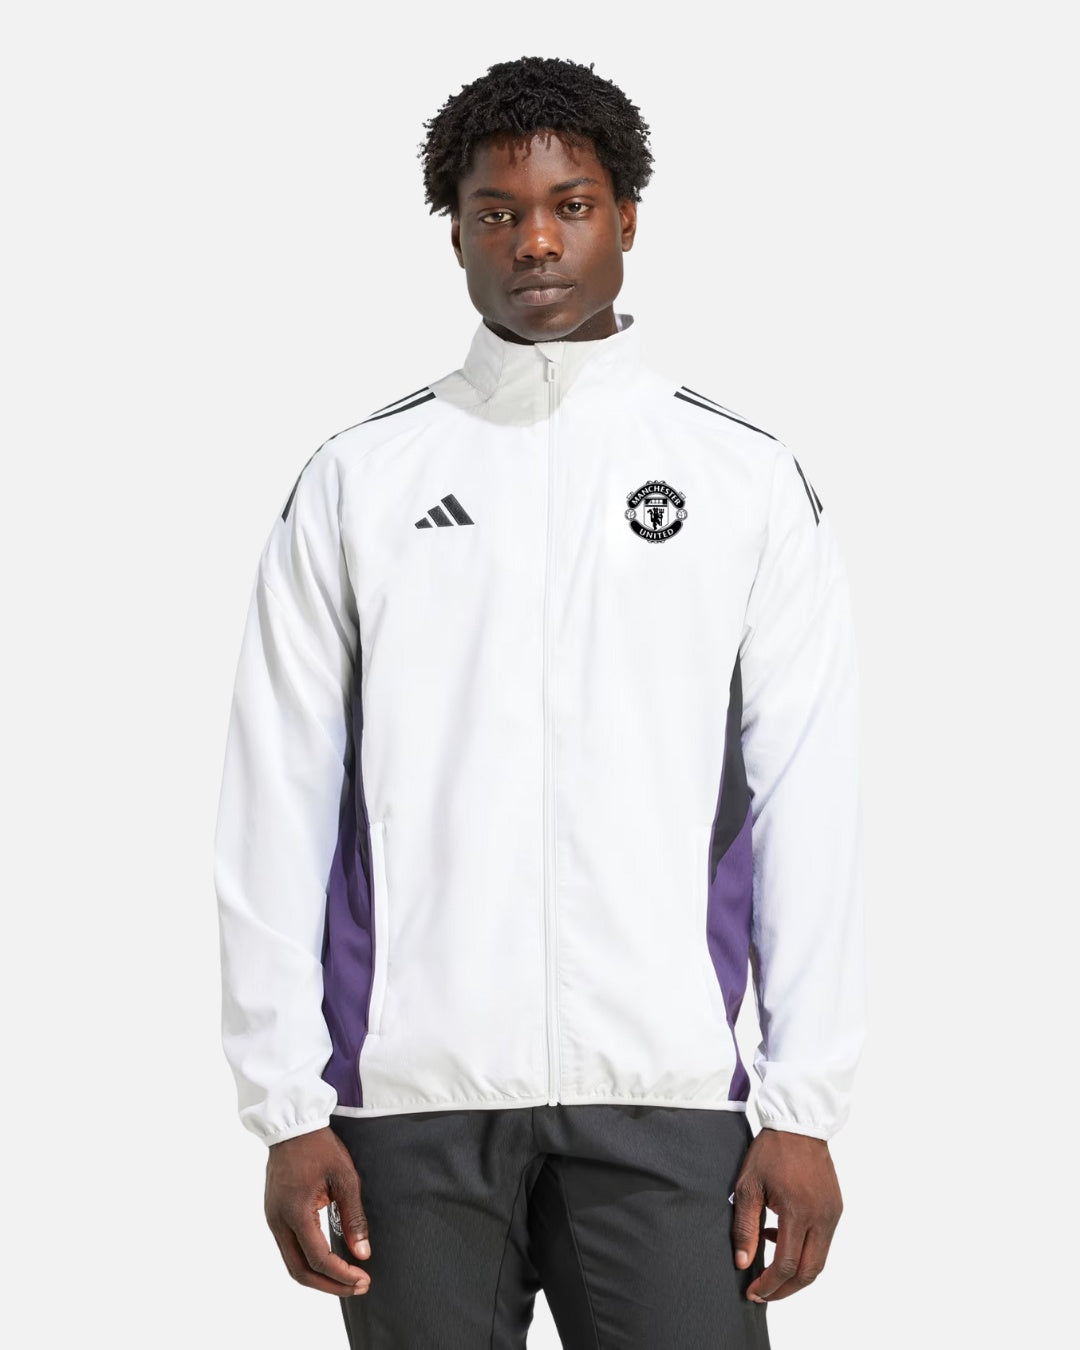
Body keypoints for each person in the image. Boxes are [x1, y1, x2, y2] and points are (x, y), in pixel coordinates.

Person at [214, 54, 865, 1349]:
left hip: (669, 1095)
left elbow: (809, 798)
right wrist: (284, 1105)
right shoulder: (358, 480)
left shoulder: (742, 479)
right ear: (454, 231)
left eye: (571, 204)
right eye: (497, 211)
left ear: (628, 216)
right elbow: (275, 798)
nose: (536, 241)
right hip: (409, 1100)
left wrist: (805, 1105)